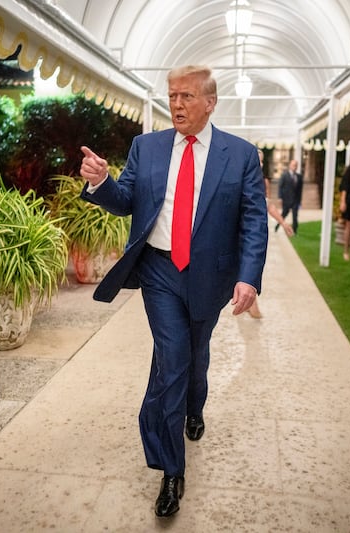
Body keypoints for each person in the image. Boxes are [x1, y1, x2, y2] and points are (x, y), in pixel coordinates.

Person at [79, 65, 268, 518]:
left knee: (196, 354)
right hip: (160, 272)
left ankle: (194, 407)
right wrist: (101, 182)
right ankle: (170, 469)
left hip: (210, 276)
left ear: (210, 102)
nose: (177, 105)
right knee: (173, 357)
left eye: (186, 96)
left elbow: (253, 220)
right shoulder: (147, 147)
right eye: (172, 96)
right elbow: (126, 201)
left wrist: (249, 276)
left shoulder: (241, 155)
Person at [248, 149, 292, 319]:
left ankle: (251, 303)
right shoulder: (237, 177)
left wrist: (283, 223)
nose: (259, 164)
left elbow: (268, 205)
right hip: (239, 230)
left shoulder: (263, 182)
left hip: (256, 231)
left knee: (253, 264)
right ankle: (247, 302)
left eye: (261, 161)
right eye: (256, 160)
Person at [276, 159, 303, 234]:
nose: (295, 166)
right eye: (293, 165)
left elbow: (300, 190)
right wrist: (280, 197)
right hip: (286, 199)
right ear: (290, 166)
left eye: (296, 165)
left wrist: (299, 201)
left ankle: (295, 231)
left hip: (295, 201)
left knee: (295, 217)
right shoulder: (285, 175)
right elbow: (280, 186)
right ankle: (277, 226)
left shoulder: (299, 177)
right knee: (284, 214)